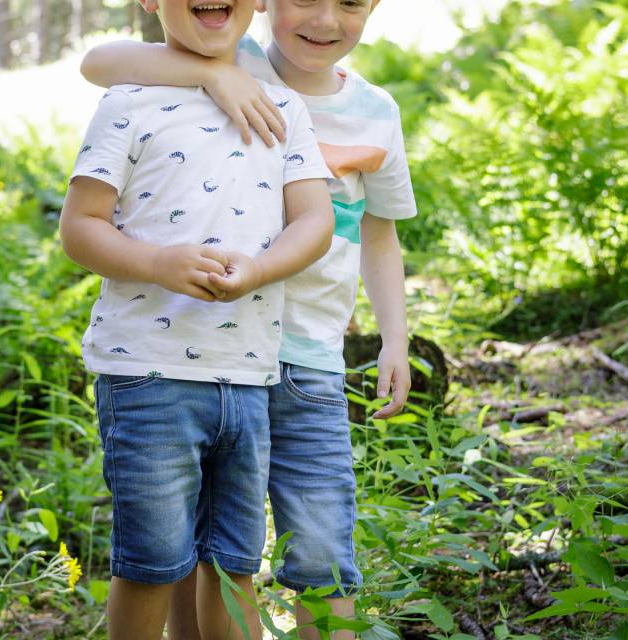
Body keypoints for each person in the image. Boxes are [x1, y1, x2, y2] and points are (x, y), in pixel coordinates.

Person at [79, 0, 416, 638]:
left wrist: (394, 336)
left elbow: (379, 235)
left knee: (318, 544)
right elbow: (98, 62)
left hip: (309, 351)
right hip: (206, 349)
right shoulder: (228, 55)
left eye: (349, 3)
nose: (324, 19)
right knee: (199, 541)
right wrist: (215, 75)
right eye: (304, 0)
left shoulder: (376, 112)